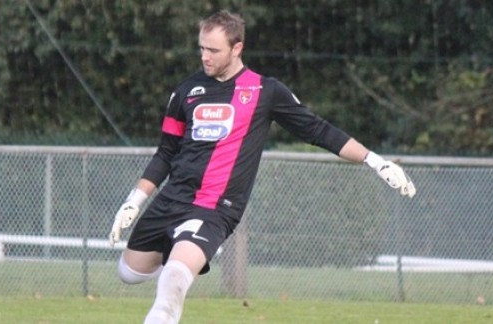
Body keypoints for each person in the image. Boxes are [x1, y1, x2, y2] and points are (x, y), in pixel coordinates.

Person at [108, 9, 416, 324]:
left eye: (214, 50)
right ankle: (178, 249)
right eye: (201, 48)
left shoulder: (264, 91)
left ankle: (184, 256)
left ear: (237, 48)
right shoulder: (186, 91)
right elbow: (165, 153)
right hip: (172, 199)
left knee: (173, 282)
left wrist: (374, 161)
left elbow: (319, 131)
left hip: (214, 208)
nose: (205, 56)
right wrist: (134, 200)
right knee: (128, 273)